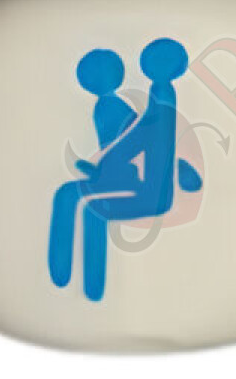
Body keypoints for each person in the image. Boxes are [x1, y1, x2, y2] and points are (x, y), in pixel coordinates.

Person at [48, 38, 200, 302]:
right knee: (70, 196)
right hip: (138, 182)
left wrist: (105, 171)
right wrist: (103, 170)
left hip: (149, 192)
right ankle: (72, 279)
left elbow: (145, 143)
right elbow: (137, 144)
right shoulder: (122, 105)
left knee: (86, 206)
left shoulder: (156, 99)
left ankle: (86, 285)